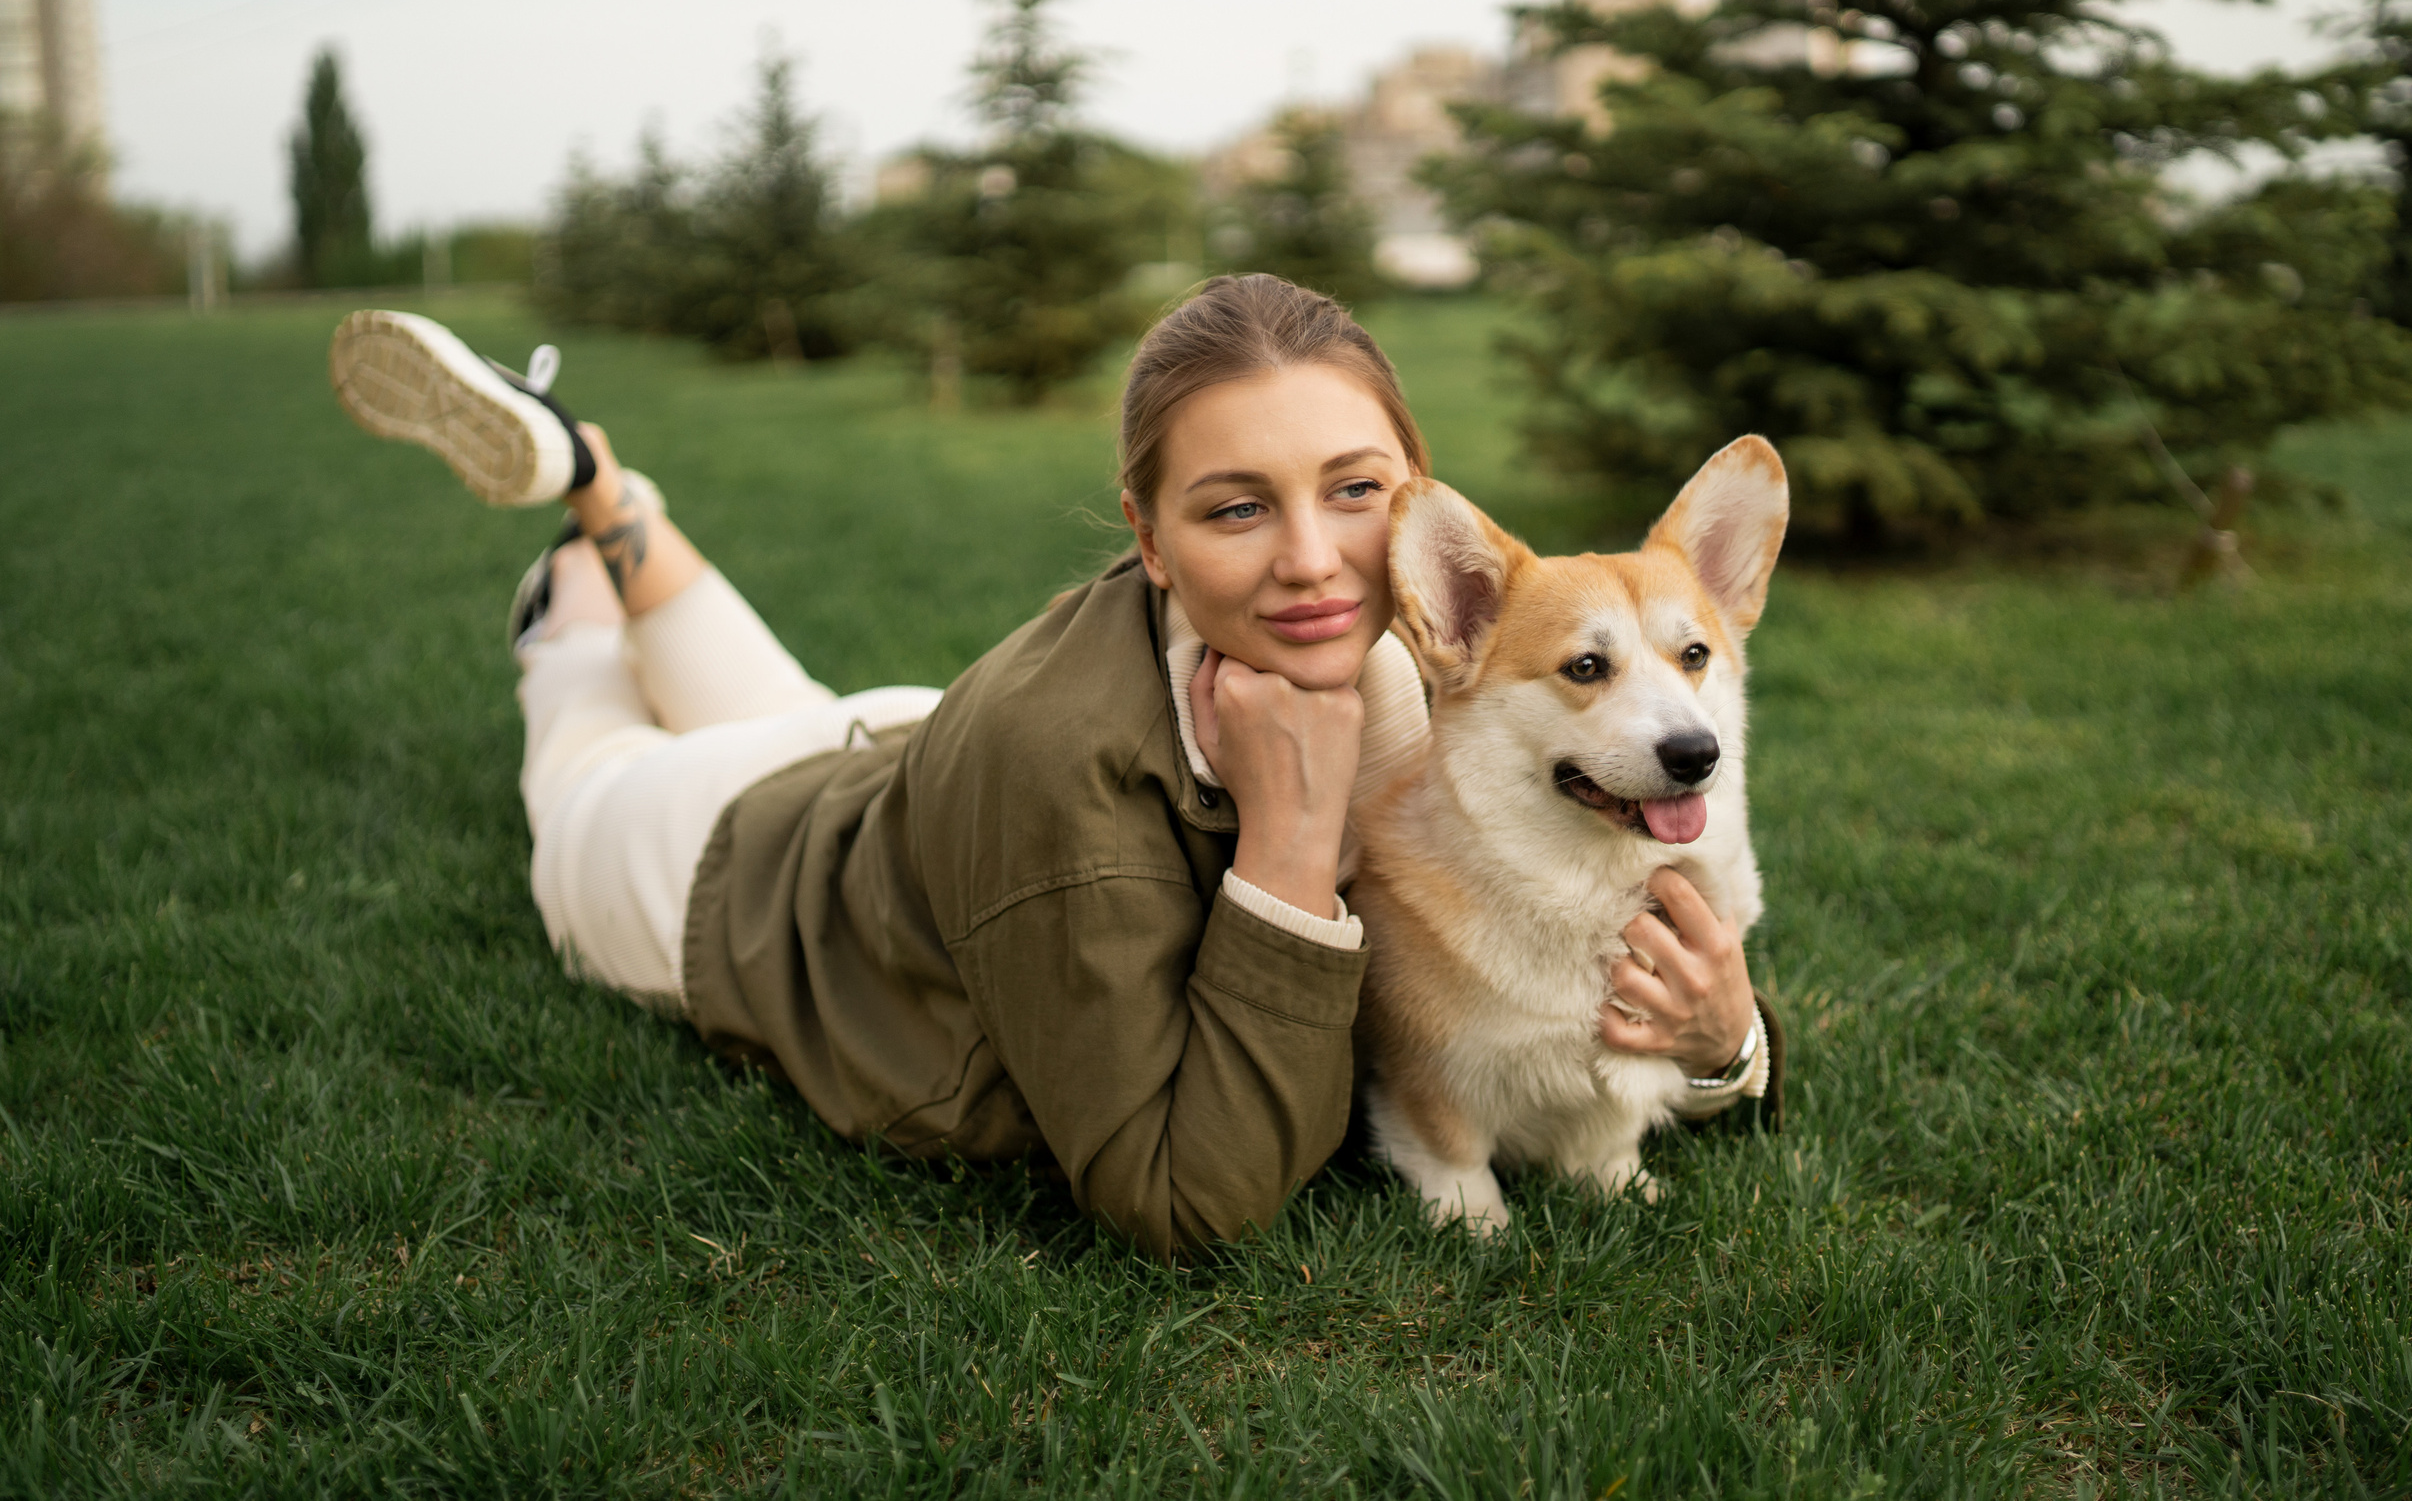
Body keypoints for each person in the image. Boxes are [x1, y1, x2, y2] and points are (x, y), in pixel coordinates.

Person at [329, 275, 1775, 1259]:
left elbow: (1573, 942)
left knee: (767, 684)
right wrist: (1281, 841)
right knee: (587, 723)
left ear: (1417, 501)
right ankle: (565, 584)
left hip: (891, 747)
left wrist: (1729, 1044)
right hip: (719, 877)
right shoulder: (1063, 786)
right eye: (1232, 509)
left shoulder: (1440, 643)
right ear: (1146, 540)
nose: (1314, 562)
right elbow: (1174, 1197)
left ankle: (608, 492)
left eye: (1355, 491)